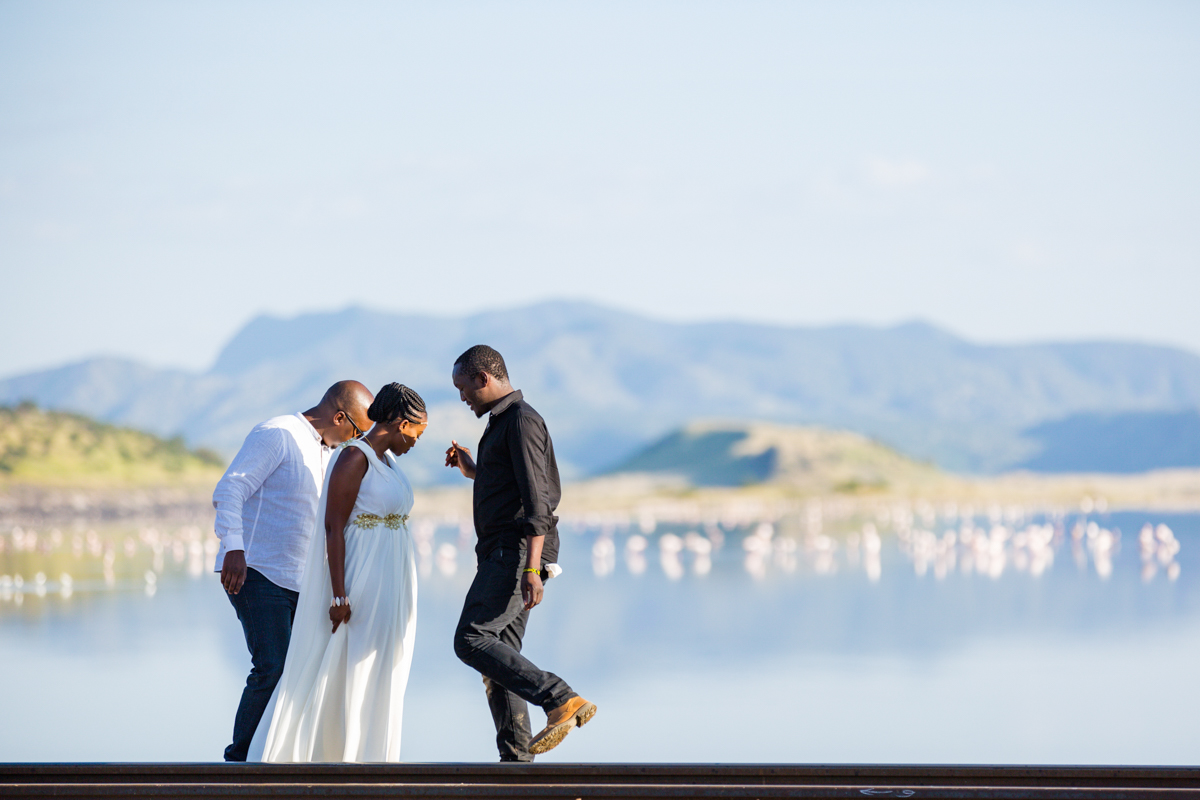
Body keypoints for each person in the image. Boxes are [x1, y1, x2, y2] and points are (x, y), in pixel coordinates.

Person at [247, 382, 428, 762]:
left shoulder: (389, 463)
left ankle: (374, 760)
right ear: (399, 422)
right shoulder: (353, 458)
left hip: (391, 581)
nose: (417, 441)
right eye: (417, 431)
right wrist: (339, 595)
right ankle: (341, 758)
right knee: (352, 666)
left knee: (382, 668)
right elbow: (333, 527)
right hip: (361, 581)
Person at [445, 345, 596, 761]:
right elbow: (509, 482)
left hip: (516, 552)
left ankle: (559, 697)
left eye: (463, 388)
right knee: (499, 659)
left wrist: (532, 567)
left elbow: (537, 501)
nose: (462, 398)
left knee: (471, 640)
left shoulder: (522, 422)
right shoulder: (502, 423)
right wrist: (471, 469)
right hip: (507, 551)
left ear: (483, 378)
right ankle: (516, 758)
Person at [214, 380, 374, 762]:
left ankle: (273, 757)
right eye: (356, 432)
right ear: (339, 417)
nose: (356, 441)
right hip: (257, 572)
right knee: (273, 665)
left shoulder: (329, 453)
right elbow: (229, 490)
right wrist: (234, 548)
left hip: (300, 582)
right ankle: (237, 763)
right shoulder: (278, 434)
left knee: (299, 670)